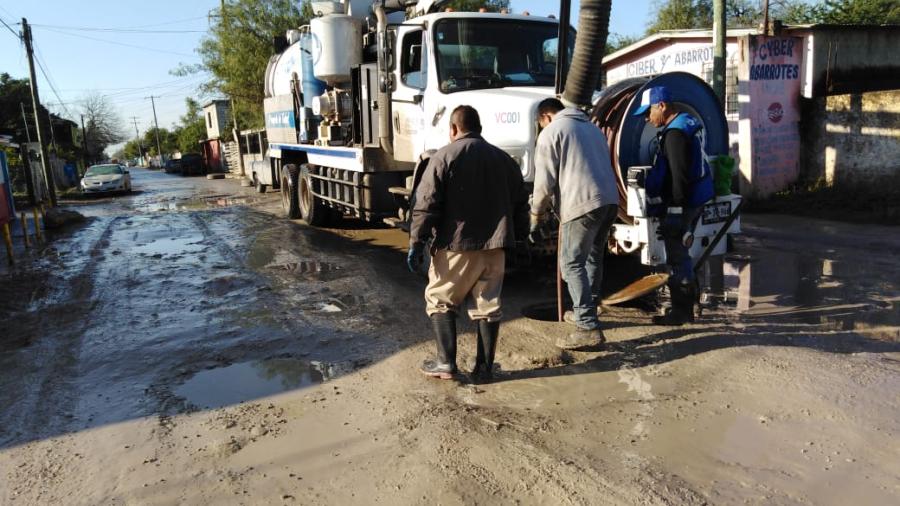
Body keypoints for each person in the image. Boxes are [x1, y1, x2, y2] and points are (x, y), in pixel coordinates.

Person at [408, 105, 529, 383]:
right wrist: (520, 240)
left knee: (440, 300)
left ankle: (446, 364)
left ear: (453, 129)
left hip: (456, 246)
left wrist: (417, 240)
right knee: (488, 305)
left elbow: (425, 204)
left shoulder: (443, 157)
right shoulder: (504, 160)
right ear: (479, 128)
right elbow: (521, 205)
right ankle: (484, 369)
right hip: (495, 248)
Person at [530, 98, 619, 350]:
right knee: (592, 257)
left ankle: (587, 326)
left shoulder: (552, 131)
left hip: (582, 203)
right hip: (609, 201)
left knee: (570, 263)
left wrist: (536, 215)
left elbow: (544, 183)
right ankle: (587, 311)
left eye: (540, 123)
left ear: (546, 116)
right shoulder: (591, 128)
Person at [632, 85, 714, 325]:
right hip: (695, 198)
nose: (647, 118)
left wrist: (675, 211)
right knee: (683, 254)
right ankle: (691, 306)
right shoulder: (687, 123)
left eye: (649, 112)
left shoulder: (674, 134)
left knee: (677, 257)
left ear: (662, 105)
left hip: (683, 203)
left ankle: (681, 312)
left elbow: (679, 175)